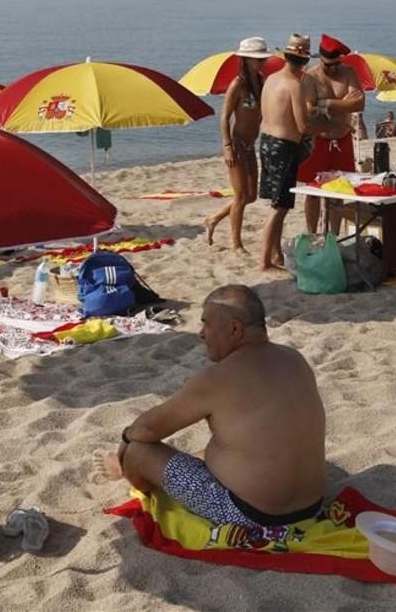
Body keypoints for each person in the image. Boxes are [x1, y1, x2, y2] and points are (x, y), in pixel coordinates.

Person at [91, 285, 326, 528]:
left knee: (138, 451)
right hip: (312, 506)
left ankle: (125, 470)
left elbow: (147, 430)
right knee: (229, 442)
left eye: (206, 324)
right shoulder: (294, 358)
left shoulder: (220, 377)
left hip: (252, 515)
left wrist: (124, 447)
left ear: (235, 328)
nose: (202, 333)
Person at [257, 34, 323, 272]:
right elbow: (302, 125)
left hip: (265, 141)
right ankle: (264, 259)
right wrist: (325, 126)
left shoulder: (271, 79)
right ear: (304, 62)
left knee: (278, 202)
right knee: (279, 206)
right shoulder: (294, 85)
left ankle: (274, 254)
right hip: (283, 146)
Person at [204, 37, 271, 254]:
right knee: (241, 196)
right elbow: (224, 117)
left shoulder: (261, 83)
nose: (261, 63)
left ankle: (214, 218)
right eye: (257, 59)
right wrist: (227, 146)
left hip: (251, 145)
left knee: (251, 195)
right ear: (247, 60)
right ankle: (236, 243)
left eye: (262, 59)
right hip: (237, 144)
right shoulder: (238, 84)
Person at [298, 34, 364, 235]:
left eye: (337, 64)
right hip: (318, 140)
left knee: (338, 191)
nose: (333, 68)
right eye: (329, 65)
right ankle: (312, 233)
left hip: (342, 139)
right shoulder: (311, 76)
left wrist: (326, 103)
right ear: (320, 59)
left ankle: (333, 236)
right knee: (313, 191)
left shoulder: (348, 72)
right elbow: (308, 109)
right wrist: (343, 102)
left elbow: (359, 102)